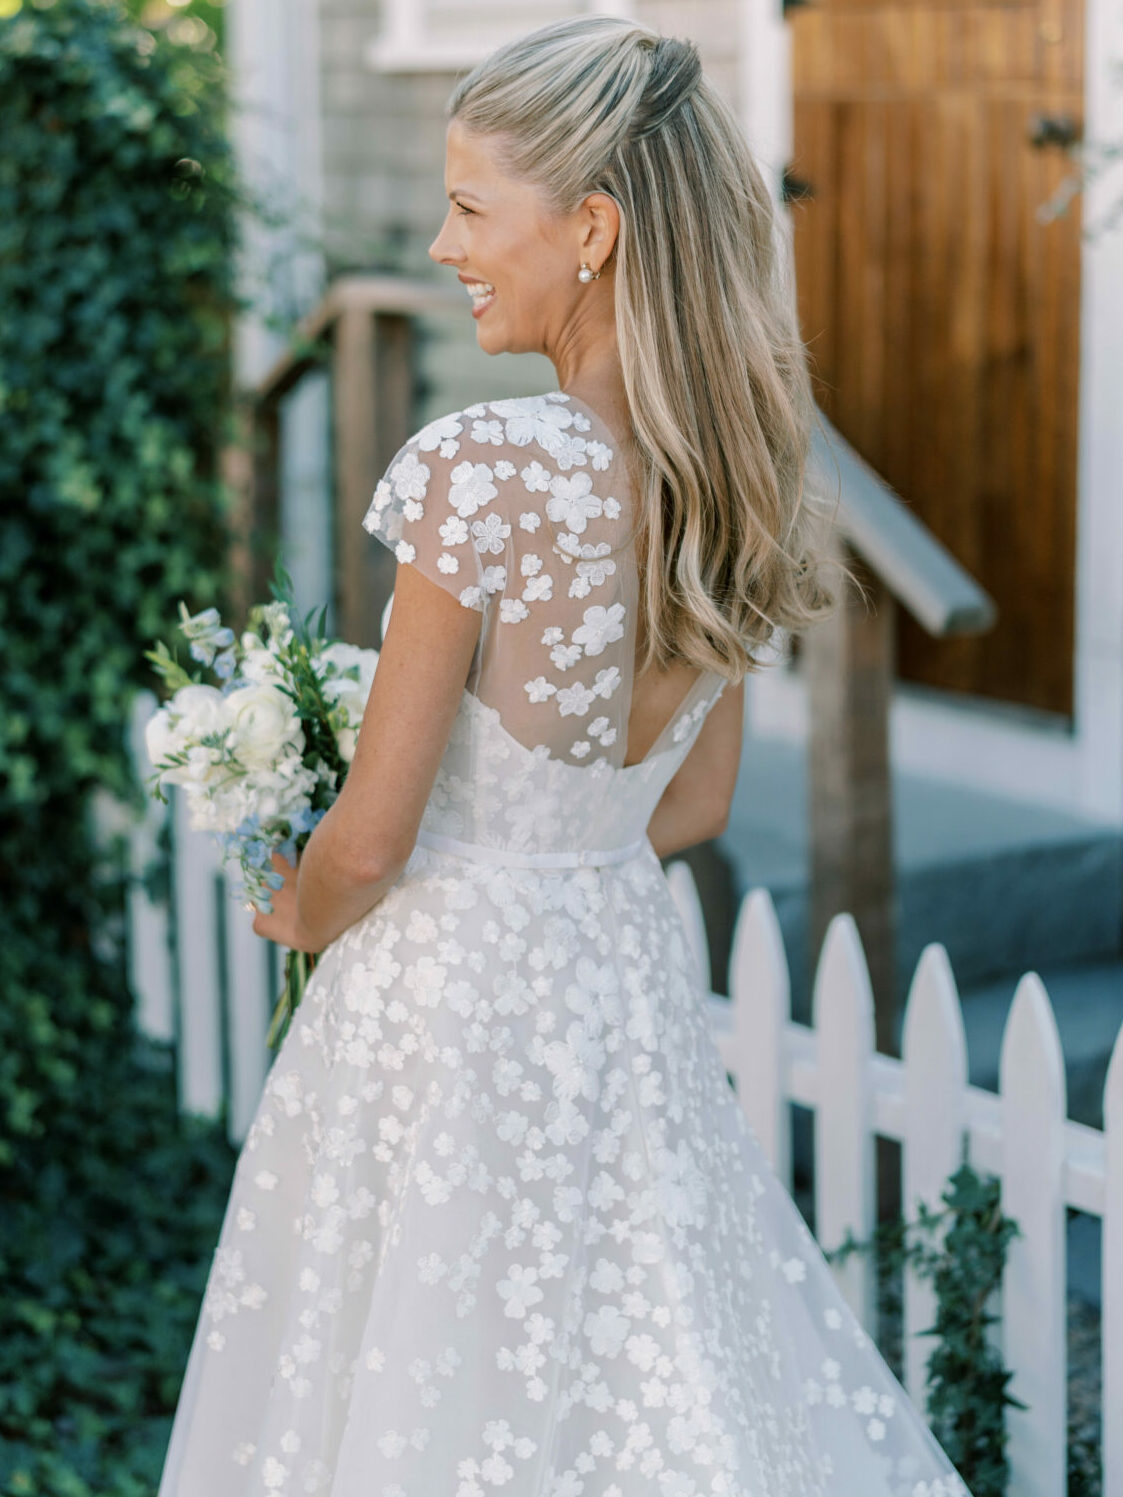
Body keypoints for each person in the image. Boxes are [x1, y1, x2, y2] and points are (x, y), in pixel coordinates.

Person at [158, 17, 973, 1497]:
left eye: (471, 207)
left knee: (424, 1362)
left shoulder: (484, 468)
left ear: (592, 228)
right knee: (643, 1350)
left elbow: (371, 841)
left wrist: (295, 906)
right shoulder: (734, 474)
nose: (443, 244)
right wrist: (549, 858)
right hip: (617, 973)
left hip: (447, 999)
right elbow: (698, 801)